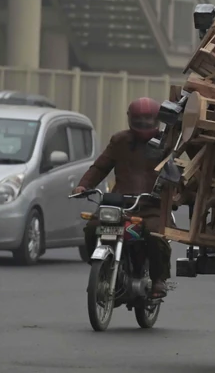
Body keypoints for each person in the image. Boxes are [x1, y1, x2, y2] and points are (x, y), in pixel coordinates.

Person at [74, 97, 174, 298]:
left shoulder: (167, 143)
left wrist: (176, 194)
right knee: (93, 228)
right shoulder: (119, 141)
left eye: (148, 120)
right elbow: (100, 167)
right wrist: (84, 185)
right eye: (139, 120)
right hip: (119, 204)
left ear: (157, 120)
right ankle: (102, 268)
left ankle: (158, 279)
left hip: (152, 206)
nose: (144, 124)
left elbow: (178, 172)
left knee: (156, 237)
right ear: (130, 119)